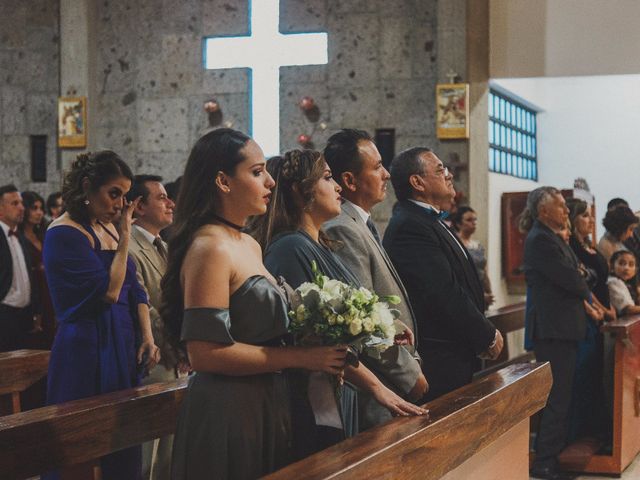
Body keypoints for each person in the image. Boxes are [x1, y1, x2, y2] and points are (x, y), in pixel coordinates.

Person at [161, 129, 348, 480]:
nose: (271, 182)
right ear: (223, 181)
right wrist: (302, 358)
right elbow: (205, 353)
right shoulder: (210, 248)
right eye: (258, 172)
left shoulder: (248, 243)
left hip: (266, 399)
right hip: (227, 409)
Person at [250, 149, 426, 458]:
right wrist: (376, 386)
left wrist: (382, 327)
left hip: (339, 383)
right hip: (311, 392)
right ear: (299, 189)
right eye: (328, 178)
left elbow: (347, 308)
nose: (338, 188)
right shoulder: (290, 248)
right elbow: (309, 334)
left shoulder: (322, 245)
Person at [43, 151, 160, 480]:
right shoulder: (63, 233)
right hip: (85, 347)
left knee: (122, 445)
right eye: (113, 194)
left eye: (125, 196)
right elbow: (109, 292)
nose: (121, 205)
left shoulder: (106, 229)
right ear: (86, 187)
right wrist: (125, 237)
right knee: (77, 448)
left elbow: (135, 289)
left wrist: (148, 338)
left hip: (121, 344)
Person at [322, 129, 428, 429]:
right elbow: (364, 317)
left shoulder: (360, 223)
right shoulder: (342, 227)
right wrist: (409, 375)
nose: (385, 174)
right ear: (350, 180)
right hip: (378, 386)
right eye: (377, 166)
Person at [383, 147, 502, 402]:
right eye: (440, 170)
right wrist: (485, 334)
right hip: (441, 356)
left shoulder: (430, 221)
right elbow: (442, 291)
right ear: (417, 182)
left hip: (457, 351)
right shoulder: (410, 226)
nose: (448, 175)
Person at [521, 187, 591, 480]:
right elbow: (574, 280)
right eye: (561, 206)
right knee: (557, 399)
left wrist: (581, 274)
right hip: (553, 331)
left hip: (563, 329)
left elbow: (582, 275)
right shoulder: (540, 240)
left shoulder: (551, 237)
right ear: (543, 210)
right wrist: (581, 274)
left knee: (563, 397)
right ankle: (545, 463)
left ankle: (553, 458)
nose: (566, 211)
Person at [126, 175, 181, 480]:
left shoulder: (167, 245)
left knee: (170, 457)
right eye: (161, 197)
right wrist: (179, 344)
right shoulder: (131, 247)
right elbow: (146, 307)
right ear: (139, 206)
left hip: (176, 360)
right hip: (154, 360)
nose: (170, 203)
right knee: (148, 456)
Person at [565, 198, 612, 446]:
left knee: (594, 376)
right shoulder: (571, 247)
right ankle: (576, 435)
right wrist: (599, 309)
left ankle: (592, 431)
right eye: (584, 216)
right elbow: (579, 287)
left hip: (599, 318)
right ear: (572, 219)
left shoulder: (589, 244)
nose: (590, 220)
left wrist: (608, 308)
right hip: (584, 319)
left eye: (590, 215)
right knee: (582, 377)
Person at [0, 184, 39, 352]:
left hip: (23, 316)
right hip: (4, 315)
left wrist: (36, 311)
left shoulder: (20, 237)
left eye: (21, 203)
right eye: (14, 203)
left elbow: (28, 276)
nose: (22, 208)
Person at [19, 191, 56, 348]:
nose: (39, 213)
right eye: (34, 208)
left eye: (41, 208)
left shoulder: (42, 235)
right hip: (33, 291)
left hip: (48, 290)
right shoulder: (18, 238)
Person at [450, 206, 495, 308]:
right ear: (458, 223)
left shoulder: (478, 245)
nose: (474, 223)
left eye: (475, 219)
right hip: (466, 293)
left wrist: (489, 291)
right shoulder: (456, 244)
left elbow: (484, 271)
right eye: (469, 220)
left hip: (481, 290)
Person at [607, 250, 640, 316]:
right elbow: (629, 310)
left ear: (635, 270)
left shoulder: (628, 284)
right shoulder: (613, 282)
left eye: (631, 264)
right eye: (621, 263)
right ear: (612, 266)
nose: (626, 268)